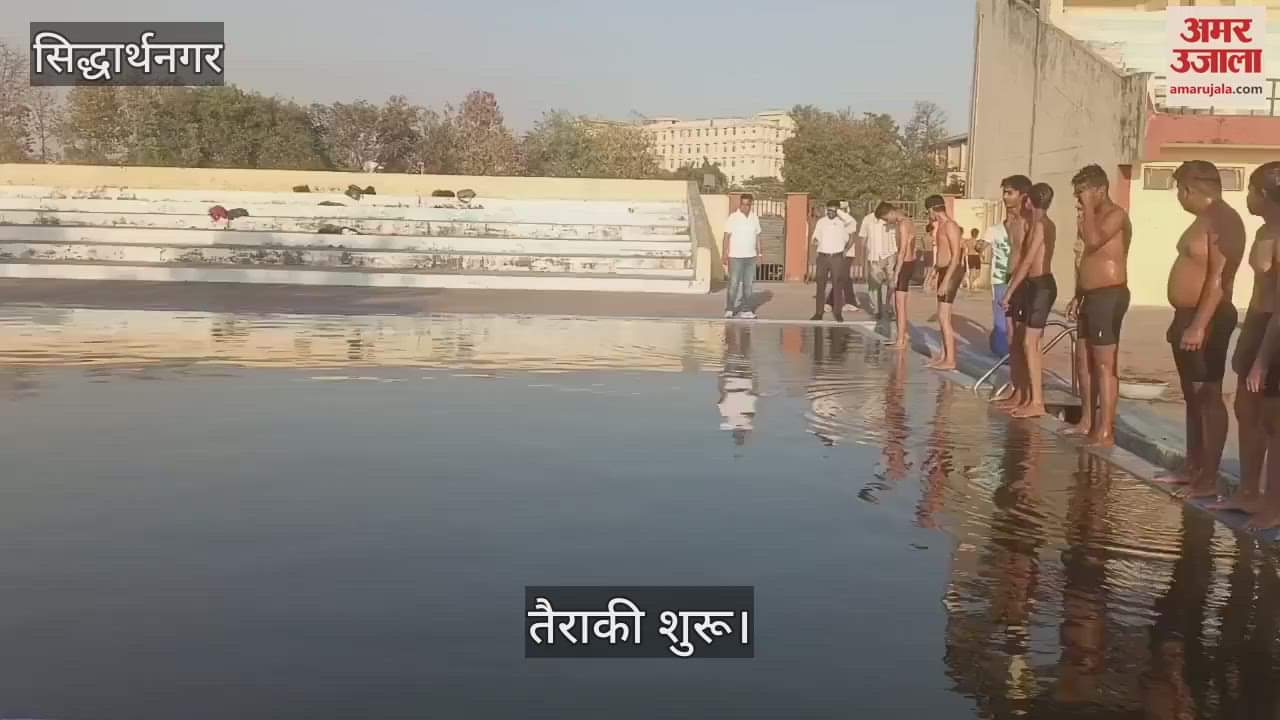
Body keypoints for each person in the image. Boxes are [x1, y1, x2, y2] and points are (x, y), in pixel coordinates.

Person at [1158, 160, 1246, 499]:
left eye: (1179, 190)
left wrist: (1198, 324)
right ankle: (1193, 467)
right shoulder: (1202, 220)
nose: (1179, 197)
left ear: (1190, 189)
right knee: (1192, 396)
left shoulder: (1225, 221)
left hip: (1207, 318)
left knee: (1208, 395)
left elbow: (1218, 280)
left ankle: (1208, 477)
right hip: (1187, 315)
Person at [1213, 163, 1280, 524]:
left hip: (1274, 328)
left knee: (1274, 421)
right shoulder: (1264, 232)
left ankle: (1274, 504)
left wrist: (1263, 361)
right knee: (1247, 410)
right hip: (1256, 323)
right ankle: (1250, 492)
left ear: (1266, 195)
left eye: (1251, 190)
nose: (1247, 197)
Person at [1064, 164, 1132, 448]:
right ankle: (1087, 421)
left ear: (1100, 190)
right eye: (1077, 194)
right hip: (1090, 296)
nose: (1079, 199)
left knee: (1104, 365)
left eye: (1083, 193)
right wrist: (1078, 294)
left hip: (1110, 294)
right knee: (1083, 362)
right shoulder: (1089, 218)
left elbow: (1093, 241)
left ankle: (1105, 429)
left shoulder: (1116, 215)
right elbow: (1085, 259)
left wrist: (1088, 209)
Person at [1001, 182, 1058, 418]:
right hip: (1036, 285)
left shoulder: (1040, 225)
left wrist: (1008, 292)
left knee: (1030, 344)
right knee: (1025, 343)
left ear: (1028, 201)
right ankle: (1028, 398)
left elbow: (1026, 262)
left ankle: (1037, 402)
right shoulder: (1042, 223)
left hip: (1040, 286)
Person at [994, 175, 1034, 410]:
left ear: (1022, 195)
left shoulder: (1029, 220)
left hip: (1025, 282)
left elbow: (1029, 258)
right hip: (1010, 279)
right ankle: (1016, 387)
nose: (1004, 197)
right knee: (1011, 338)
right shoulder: (1010, 220)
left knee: (1022, 338)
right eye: (1004, 192)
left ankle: (1026, 391)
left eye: (1009, 193)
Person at [927, 195, 963, 370]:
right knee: (943, 318)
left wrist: (945, 281)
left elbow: (956, 257)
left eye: (928, 212)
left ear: (932, 209)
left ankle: (951, 360)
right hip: (943, 270)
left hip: (952, 271)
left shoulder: (951, 226)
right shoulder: (940, 226)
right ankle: (944, 356)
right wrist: (935, 273)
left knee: (943, 317)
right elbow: (942, 252)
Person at [876, 202, 917, 349]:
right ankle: (903, 335)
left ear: (891, 213)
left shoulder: (903, 224)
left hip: (904, 265)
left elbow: (903, 250)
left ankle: (900, 340)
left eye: (886, 219)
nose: (888, 222)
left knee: (899, 304)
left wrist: (896, 273)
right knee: (899, 304)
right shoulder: (907, 222)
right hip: (908, 263)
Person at [812, 200, 857, 322]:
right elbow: (815, 236)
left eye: (834, 210)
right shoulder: (821, 222)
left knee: (837, 284)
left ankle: (837, 312)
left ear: (838, 210)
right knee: (820, 284)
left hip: (837, 257)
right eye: (829, 210)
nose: (831, 212)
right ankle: (818, 312)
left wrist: (840, 213)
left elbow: (853, 223)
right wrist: (815, 240)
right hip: (823, 256)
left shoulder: (844, 222)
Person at [723, 194, 763, 319]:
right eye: (743, 204)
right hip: (735, 256)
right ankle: (730, 308)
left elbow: (757, 236)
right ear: (740, 204)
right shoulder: (733, 217)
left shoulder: (754, 217)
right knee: (734, 283)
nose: (745, 206)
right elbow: (726, 236)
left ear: (751, 204)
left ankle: (746, 310)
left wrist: (760, 253)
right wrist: (724, 253)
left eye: (747, 204)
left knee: (748, 284)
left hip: (750, 256)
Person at [861, 200, 899, 320]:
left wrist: (896, 255)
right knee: (874, 285)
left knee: (892, 283)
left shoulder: (891, 219)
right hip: (875, 256)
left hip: (890, 254)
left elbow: (896, 236)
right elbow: (863, 240)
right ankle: (877, 310)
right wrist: (865, 260)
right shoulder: (868, 220)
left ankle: (890, 308)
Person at [987, 221, 1013, 356]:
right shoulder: (994, 229)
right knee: (1003, 315)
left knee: (1006, 315)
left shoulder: (1025, 226)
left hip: (1011, 277)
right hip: (1003, 277)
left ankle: (1006, 349)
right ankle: (1003, 349)